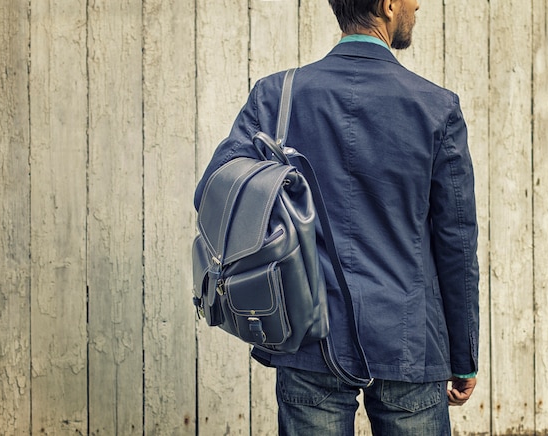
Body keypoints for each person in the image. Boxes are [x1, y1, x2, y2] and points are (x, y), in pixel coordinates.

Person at [194, 0, 480, 434]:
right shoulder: (436, 107)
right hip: (409, 341)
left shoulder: (277, 96)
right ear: (387, 5)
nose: (417, 3)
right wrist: (463, 355)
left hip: (308, 334)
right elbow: (456, 243)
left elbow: (213, 193)